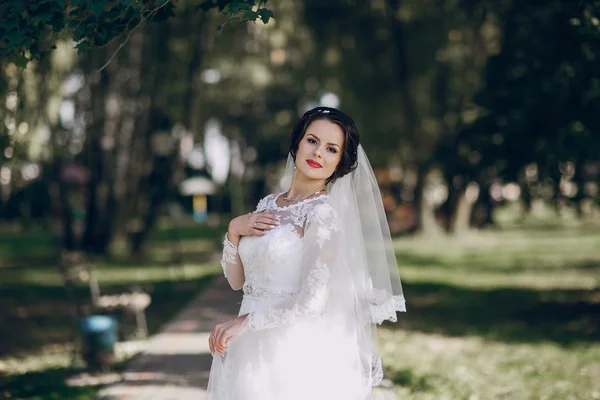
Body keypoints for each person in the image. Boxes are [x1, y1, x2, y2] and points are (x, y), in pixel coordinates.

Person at [207, 107, 406, 400]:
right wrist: (234, 230)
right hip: (248, 347)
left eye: (331, 149)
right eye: (312, 141)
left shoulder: (322, 214)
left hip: (291, 350)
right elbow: (238, 282)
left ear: (339, 162)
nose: (318, 153)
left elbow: (311, 302)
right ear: (298, 142)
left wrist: (244, 322)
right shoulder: (269, 203)